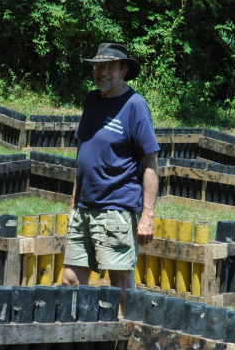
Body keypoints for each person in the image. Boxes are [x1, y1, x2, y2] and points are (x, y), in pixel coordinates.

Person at [62, 43, 159, 311]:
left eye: (111, 67)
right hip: (84, 208)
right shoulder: (92, 100)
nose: (103, 72)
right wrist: (73, 204)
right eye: (99, 67)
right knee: (70, 280)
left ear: (124, 70)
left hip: (116, 210)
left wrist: (147, 216)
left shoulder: (135, 106)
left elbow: (150, 162)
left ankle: (130, 336)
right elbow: (83, 155)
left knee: (121, 283)